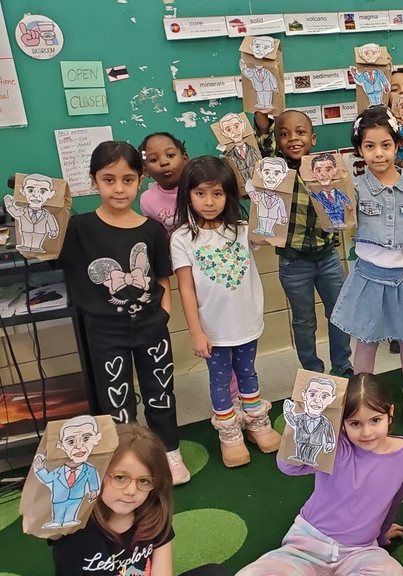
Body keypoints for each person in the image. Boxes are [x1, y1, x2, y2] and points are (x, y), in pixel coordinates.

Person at [59, 141, 190, 485]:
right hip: (104, 329)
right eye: (109, 179)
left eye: (128, 180)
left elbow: (161, 276)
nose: (119, 188)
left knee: (160, 391)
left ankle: (168, 450)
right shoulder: (79, 228)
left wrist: (163, 313)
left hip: (151, 325)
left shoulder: (151, 228)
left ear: (140, 180)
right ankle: (126, 456)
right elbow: (48, 254)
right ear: (93, 181)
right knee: (116, 396)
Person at [238, 373, 403, 576]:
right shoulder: (336, 445)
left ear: (390, 412)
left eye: (375, 420)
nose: (367, 432)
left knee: (392, 572)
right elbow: (288, 467)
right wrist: (303, 418)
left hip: (359, 550)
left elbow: (393, 502)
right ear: (342, 422)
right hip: (307, 544)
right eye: (355, 423)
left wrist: (382, 533)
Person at [330, 106, 403, 430]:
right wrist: (332, 203)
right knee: (366, 340)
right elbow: (336, 223)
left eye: (385, 145)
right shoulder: (352, 187)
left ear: (397, 146)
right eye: (369, 146)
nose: (378, 153)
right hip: (368, 277)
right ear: (359, 149)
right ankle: (361, 397)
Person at [170, 156, 282, 468]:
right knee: (220, 380)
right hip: (213, 330)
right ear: (187, 194)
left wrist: (262, 192)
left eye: (217, 193)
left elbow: (271, 231)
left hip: (246, 322)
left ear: (229, 195)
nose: (209, 202)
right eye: (200, 193)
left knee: (248, 372)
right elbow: (186, 289)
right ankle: (229, 432)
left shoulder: (242, 230)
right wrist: (196, 332)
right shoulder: (181, 238)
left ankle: (256, 421)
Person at [49, 424, 228, 576]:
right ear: (98, 474)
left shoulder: (154, 514)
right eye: (120, 477)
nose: (131, 491)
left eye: (144, 481)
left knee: (214, 573)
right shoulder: (73, 532)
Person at [273, 110, 354, 378]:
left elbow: (343, 203)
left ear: (313, 138)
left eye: (300, 132)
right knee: (304, 320)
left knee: (339, 313)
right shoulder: (276, 172)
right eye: (284, 134)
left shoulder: (327, 169)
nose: (293, 139)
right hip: (293, 262)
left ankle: (342, 366)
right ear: (277, 142)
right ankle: (312, 372)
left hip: (328, 257)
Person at [33, 415, 102, 529]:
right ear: (61, 445)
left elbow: (92, 479)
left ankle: (70, 519)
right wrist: (40, 469)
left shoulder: (89, 469)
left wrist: (93, 490)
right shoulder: (59, 470)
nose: (79, 446)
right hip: (59, 497)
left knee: (73, 508)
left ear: (97, 439)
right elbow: (48, 478)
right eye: (71, 441)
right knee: (58, 509)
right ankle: (57, 521)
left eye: (85, 439)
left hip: (77, 496)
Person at [138, 132, 189, 232]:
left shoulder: (202, 189)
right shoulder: (147, 200)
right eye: (154, 160)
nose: (164, 162)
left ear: (185, 159)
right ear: (145, 170)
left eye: (170, 155)